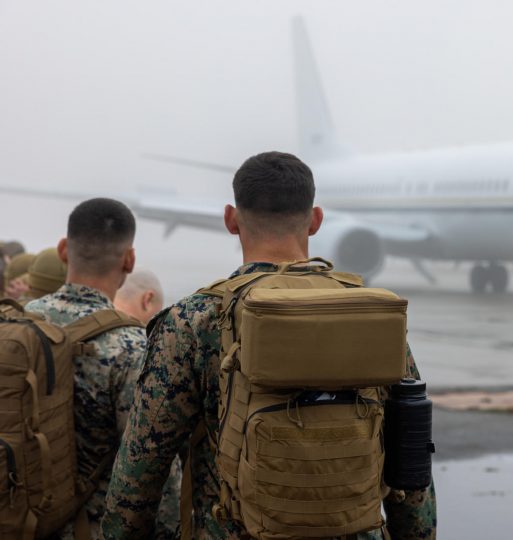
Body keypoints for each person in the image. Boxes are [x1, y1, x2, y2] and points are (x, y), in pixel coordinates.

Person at [102, 152, 437, 539]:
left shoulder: (193, 321)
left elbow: (141, 467)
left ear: (231, 220)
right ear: (315, 221)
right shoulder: (375, 316)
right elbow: (410, 468)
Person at [24, 198, 179, 539]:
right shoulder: (134, 347)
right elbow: (151, 466)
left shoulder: (15, 326)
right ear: (129, 260)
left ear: (63, 249)